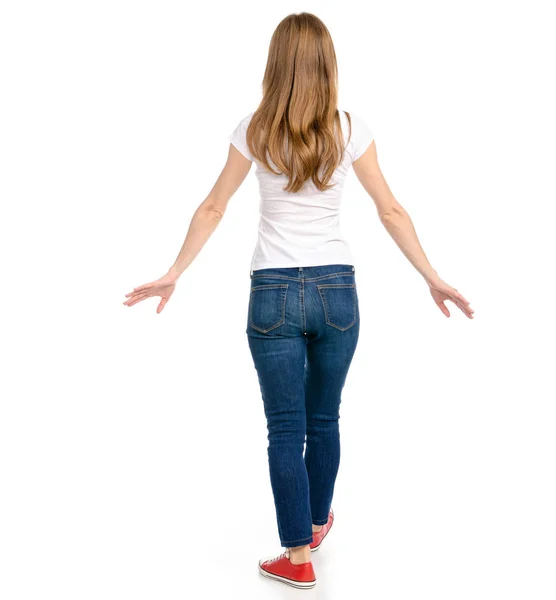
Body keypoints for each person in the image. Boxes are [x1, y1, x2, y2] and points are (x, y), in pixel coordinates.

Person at [123, 11, 474, 590]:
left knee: (285, 428)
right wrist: (430, 274)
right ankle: (312, 524)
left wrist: (175, 271)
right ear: (327, 63)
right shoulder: (349, 127)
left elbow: (214, 206)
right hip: (338, 292)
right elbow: (390, 209)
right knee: (325, 417)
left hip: (273, 293)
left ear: (275, 64)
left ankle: (298, 554)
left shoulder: (253, 128)